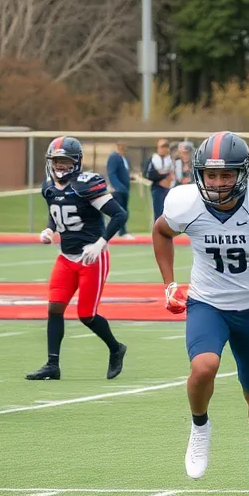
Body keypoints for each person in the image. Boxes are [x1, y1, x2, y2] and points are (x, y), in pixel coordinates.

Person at [153, 132, 249, 496]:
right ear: (200, 175)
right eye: (212, 175)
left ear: (243, 173)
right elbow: (161, 232)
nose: (219, 182)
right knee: (203, 367)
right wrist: (169, 283)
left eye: (227, 175)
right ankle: (200, 426)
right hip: (207, 303)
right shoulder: (184, 203)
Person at [25, 137, 130, 382]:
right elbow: (56, 213)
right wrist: (50, 230)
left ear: (76, 162)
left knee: (86, 315)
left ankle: (116, 348)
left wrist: (100, 243)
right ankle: (53, 364)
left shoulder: (85, 185)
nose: (60, 166)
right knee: (54, 307)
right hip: (65, 258)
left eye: (65, 161)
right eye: (56, 161)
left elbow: (118, 215)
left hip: (90, 258)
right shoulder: (49, 187)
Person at [106, 141, 134, 240]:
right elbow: (111, 173)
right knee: (120, 211)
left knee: (124, 210)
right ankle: (122, 232)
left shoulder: (123, 158)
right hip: (118, 190)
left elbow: (123, 172)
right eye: (121, 146)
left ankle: (119, 231)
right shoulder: (114, 157)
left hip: (125, 189)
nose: (123, 149)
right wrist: (118, 187)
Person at [145, 138, 174, 221]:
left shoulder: (171, 159)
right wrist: (164, 175)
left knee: (169, 212)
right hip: (157, 188)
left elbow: (174, 174)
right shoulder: (153, 159)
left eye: (166, 146)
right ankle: (158, 231)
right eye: (162, 147)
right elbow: (149, 174)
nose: (164, 149)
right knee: (158, 212)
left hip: (169, 189)